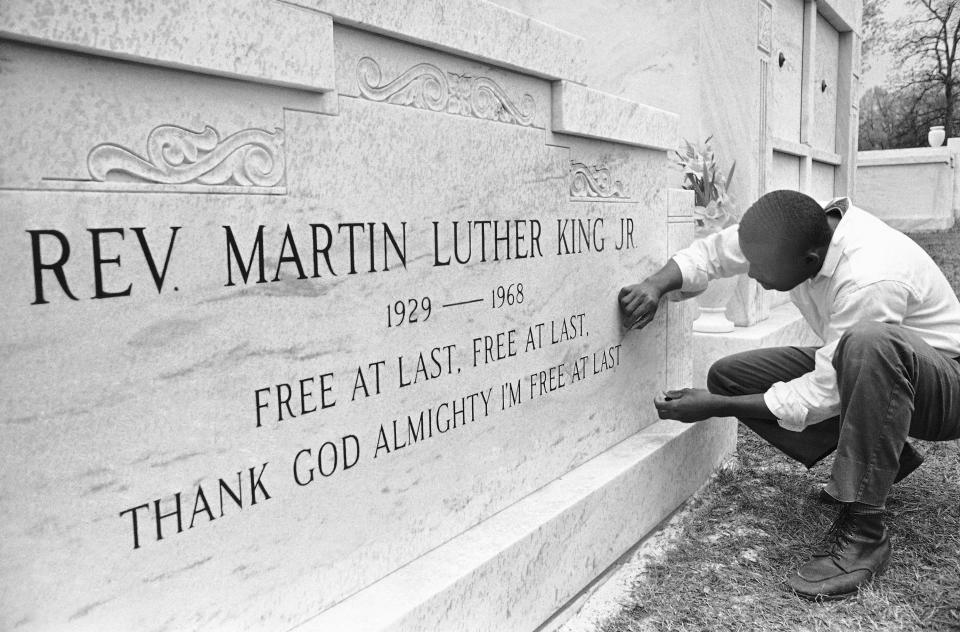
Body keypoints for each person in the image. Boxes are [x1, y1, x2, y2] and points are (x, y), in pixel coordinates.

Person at [619, 190, 960, 599]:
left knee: (868, 344)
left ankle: (866, 533)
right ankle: (884, 457)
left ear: (810, 263)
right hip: (873, 370)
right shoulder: (794, 233)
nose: (751, 275)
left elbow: (822, 393)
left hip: (943, 388)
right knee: (732, 376)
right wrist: (655, 285)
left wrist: (716, 408)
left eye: (760, 269)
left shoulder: (869, 277)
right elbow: (715, 253)